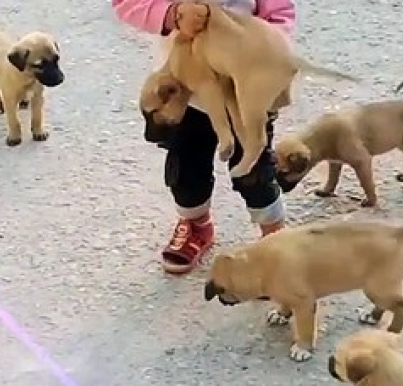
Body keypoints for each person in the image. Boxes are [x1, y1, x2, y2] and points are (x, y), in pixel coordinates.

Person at [112, 0, 297, 274]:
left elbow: (280, 12)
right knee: (185, 167)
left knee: (254, 169)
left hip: (245, 89)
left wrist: (268, 51)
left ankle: (274, 235)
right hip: (185, 91)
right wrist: (172, 14)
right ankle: (196, 224)